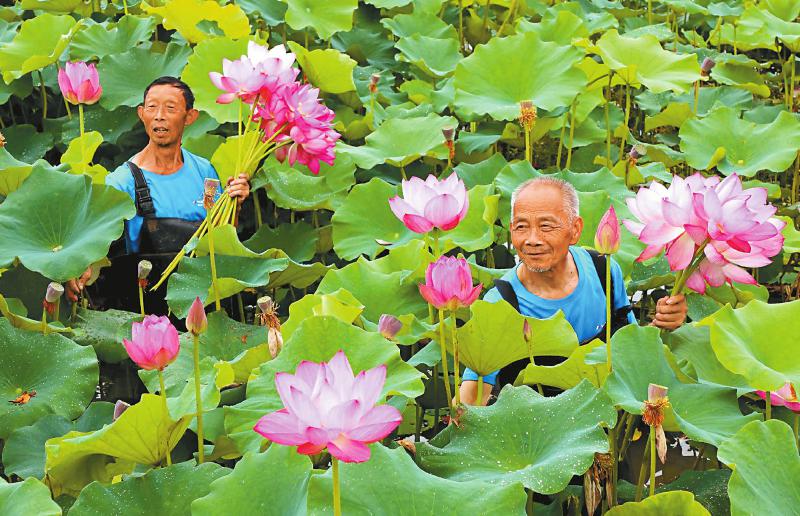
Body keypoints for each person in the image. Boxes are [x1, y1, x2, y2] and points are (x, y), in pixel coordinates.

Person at [460, 177, 688, 405]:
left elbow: (631, 351)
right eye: (521, 227)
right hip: (539, 431)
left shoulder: (603, 270)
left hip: (607, 418)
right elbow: (473, 394)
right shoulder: (500, 303)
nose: (532, 240)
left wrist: (663, 322)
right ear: (511, 231)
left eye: (546, 226)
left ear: (575, 230)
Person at [65, 76, 250, 306]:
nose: (160, 115)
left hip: (203, 300)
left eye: (170, 108)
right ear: (141, 113)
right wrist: (78, 266)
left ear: (190, 117)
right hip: (143, 304)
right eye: (152, 107)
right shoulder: (122, 182)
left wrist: (236, 204)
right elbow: (96, 239)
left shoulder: (206, 174)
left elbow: (220, 231)